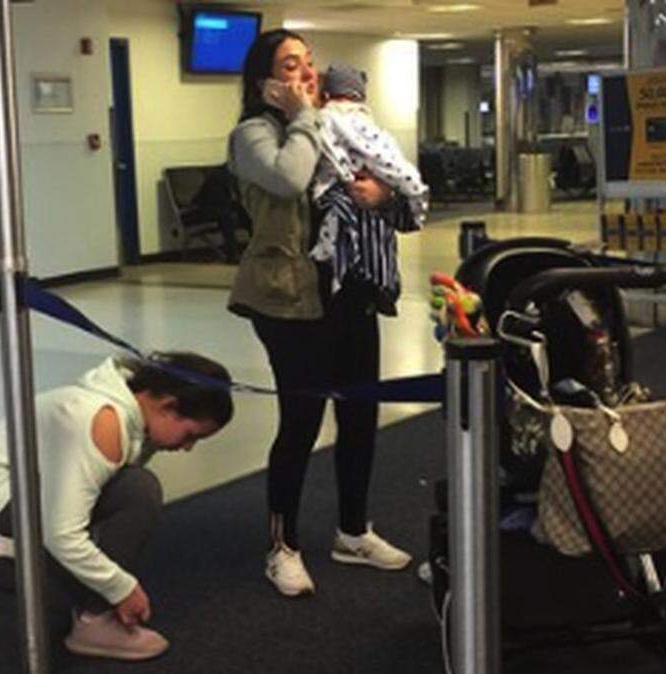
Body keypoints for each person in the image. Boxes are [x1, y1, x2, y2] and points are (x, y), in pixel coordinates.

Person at [226, 28, 412, 598]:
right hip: (288, 300)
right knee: (301, 423)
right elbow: (290, 175)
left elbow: (398, 200)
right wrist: (307, 114)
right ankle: (283, 546)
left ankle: (353, 531)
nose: (306, 74)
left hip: (352, 294)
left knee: (359, 417)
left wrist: (384, 197)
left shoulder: (343, 125)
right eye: (289, 66)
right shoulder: (252, 134)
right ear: (264, 81)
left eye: (308, 64)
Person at [0, 352, 233, 661]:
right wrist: (121, 588)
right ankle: (94, 622)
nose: (187, 448)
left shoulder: (135, 417)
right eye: (190, 436)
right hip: (4, 493)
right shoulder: (104, 422)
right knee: (138, 492)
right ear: (168, 405)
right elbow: (61, 535)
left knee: (120, 511)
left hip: (38, 484)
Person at [310, 61, 429, 316]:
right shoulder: (306, 135)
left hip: (355, 283)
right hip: (323, 285)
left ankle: (377, 287)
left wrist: (384, 196)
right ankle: (379, 285)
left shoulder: (323, 127)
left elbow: (405, 220)